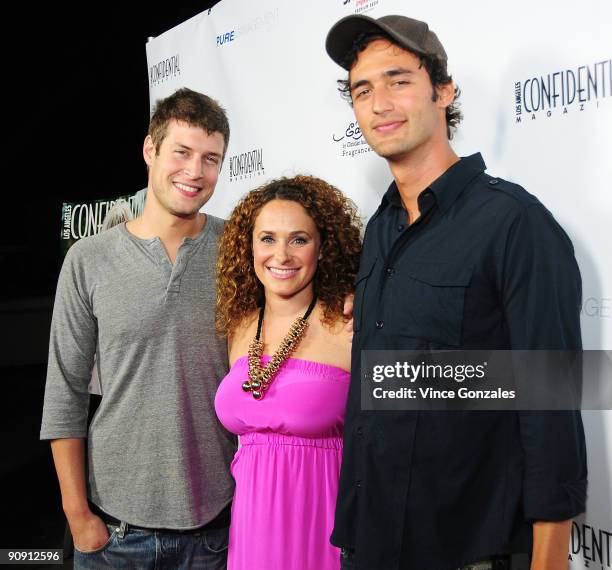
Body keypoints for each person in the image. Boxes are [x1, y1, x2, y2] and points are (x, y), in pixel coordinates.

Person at [325, 14, 587, 570]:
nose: (379, 103)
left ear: (443, 91)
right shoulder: (380, 229)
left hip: (464, 549)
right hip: (368, 542)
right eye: (362, 90)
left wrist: (550, 559)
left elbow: (549, 401)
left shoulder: (514, 223)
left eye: (399, 80)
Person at [41, 88, 237, 569]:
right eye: (182, 152)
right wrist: (77, 514)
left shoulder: (239, 248)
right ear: (150, 150)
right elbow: (64, 391)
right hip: (115, 532)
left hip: (216, 529)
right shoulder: (88, 260)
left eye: (210, 159)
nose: (195, 172)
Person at [214, 175, 362, 570]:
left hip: (324, 531)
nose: (281, 255)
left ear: (323, 247)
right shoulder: (239, 325)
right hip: (249, 536)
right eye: (267, 238)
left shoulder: (350, 326)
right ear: (248, 247)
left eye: (299, 239)